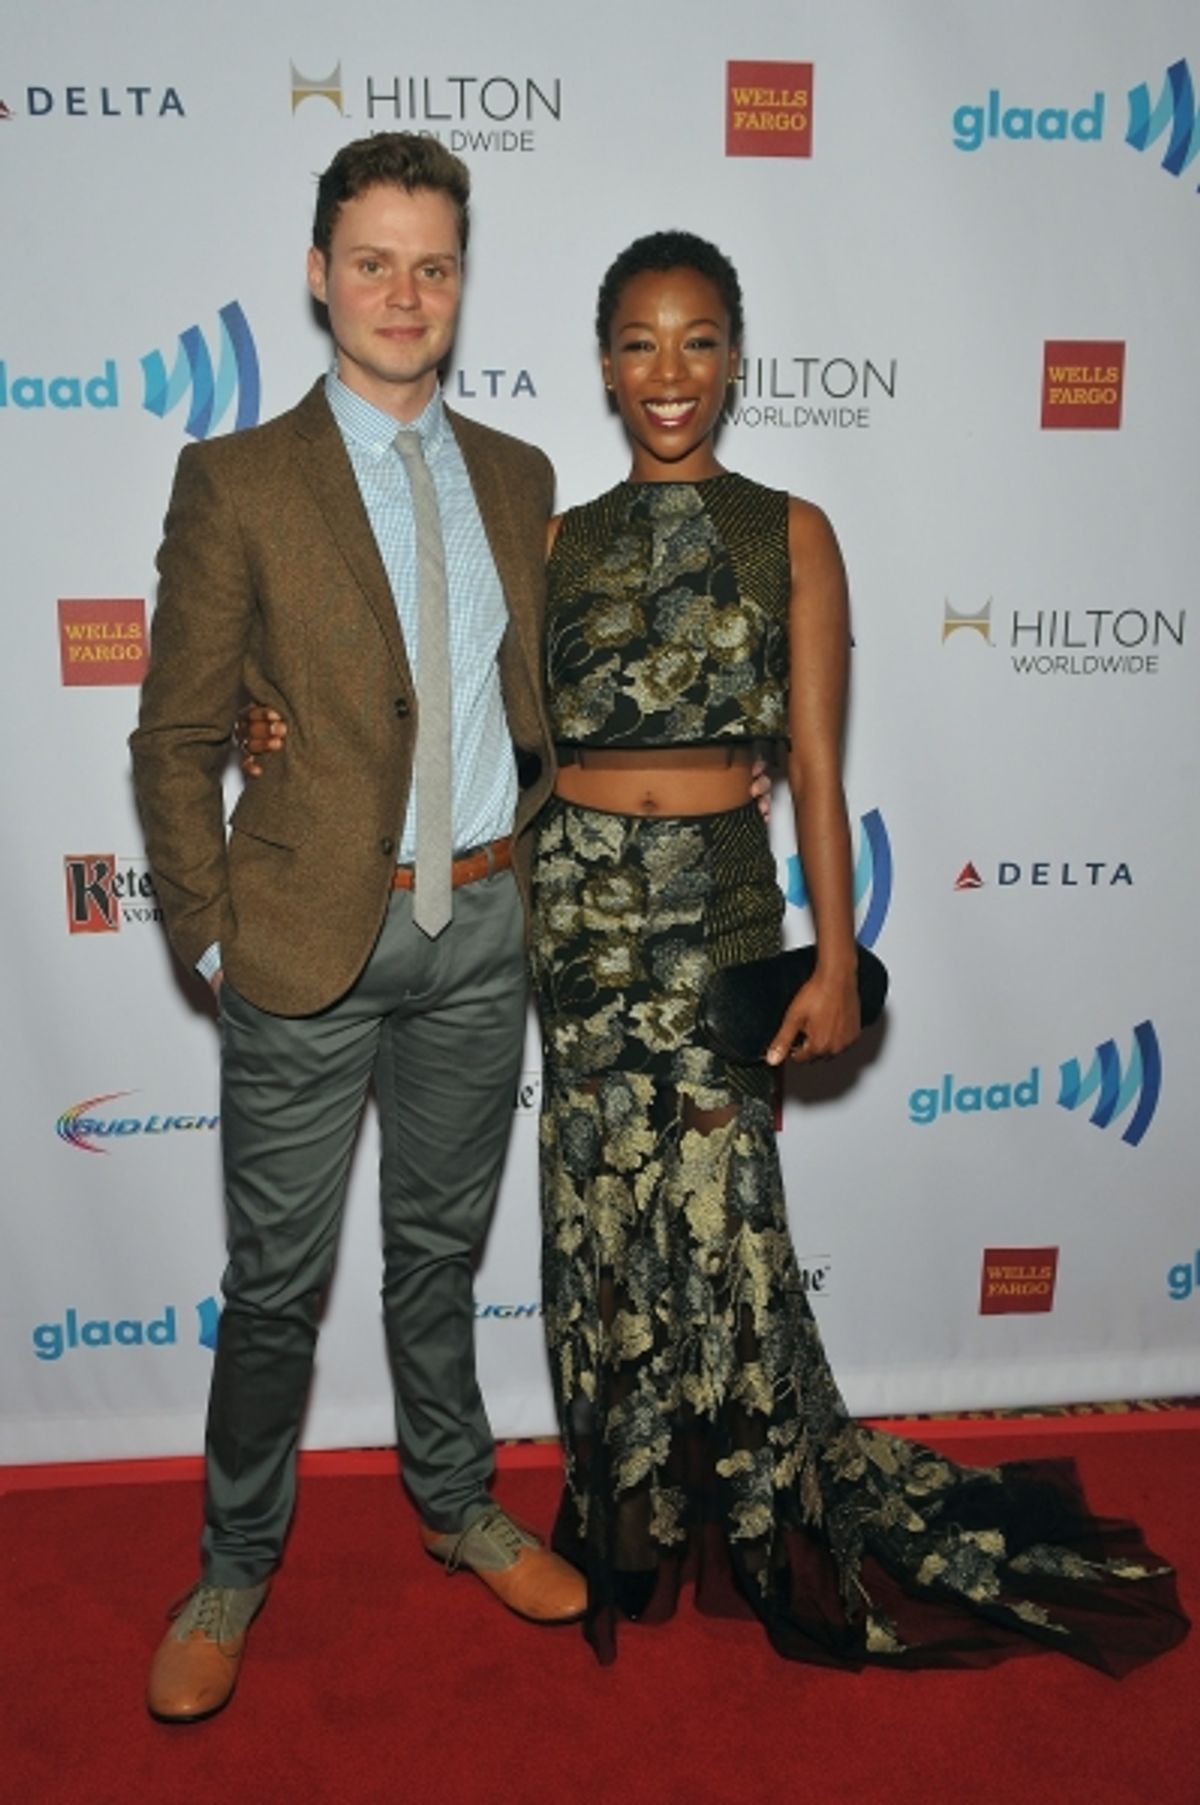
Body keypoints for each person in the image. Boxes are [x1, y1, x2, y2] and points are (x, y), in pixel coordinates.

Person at [239, 231, 1189, 1676]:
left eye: (695, 341)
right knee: (599, 1224)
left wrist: (835, 955)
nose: (667, 372)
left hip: (719, 906)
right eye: (638, 342)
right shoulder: (557, 535)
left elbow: (814, 766)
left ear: (735, 355)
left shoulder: (788, 528)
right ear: (607, 363)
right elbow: (432, 692)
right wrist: (276, 719)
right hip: (573, 910)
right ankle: (626, 1515)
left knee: (728, 1215)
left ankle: (760, 1508)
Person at [130, 131, 587, 1726]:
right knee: (273, 1285)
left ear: (463, 282)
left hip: (481, 934)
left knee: (439, 1256)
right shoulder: (239, 478)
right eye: (374, 261)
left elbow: (537, 703)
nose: (406, 293)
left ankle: (456, 1502)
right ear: (321, 274)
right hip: (305, 944)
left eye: (435, 264)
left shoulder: (523, 478)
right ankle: (233, 1562)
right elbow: (175, 736)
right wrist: (206, 935)